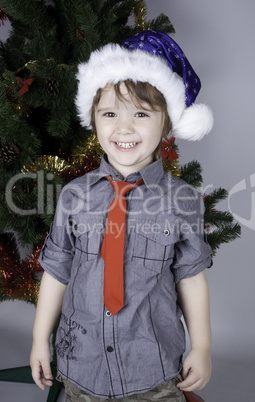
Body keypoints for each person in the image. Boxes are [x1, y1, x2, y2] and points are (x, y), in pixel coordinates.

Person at [30, 30, 214, 401]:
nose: (124, 128)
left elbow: (191, 279)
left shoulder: (183, 201)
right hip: (82, 364)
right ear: (94, 120)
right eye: (110, 113)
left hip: (153, 366)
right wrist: (38, 339)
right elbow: (56, 271)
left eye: (142, 114)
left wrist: (203, 347)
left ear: (166, 124)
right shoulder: (74, 196)